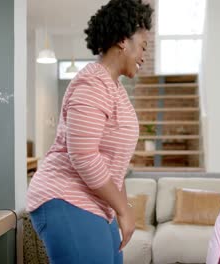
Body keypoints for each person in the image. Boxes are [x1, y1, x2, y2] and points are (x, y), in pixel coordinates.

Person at [26, 0, 153, 263]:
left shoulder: (115, 88)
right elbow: (83, 156)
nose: (144, 56)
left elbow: (115, 164)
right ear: (121, 40)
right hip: (65, 196)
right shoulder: (92, 83)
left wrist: (123, 208)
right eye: (142, 46)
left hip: (95, 202)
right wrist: (123, 210)